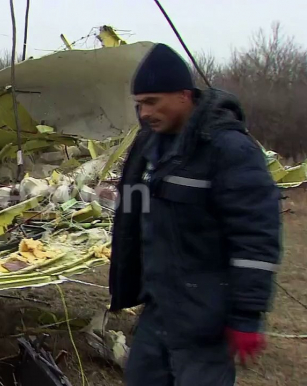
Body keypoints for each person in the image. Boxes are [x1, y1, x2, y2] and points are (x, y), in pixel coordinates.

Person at [108, 43, 282, 385]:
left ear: (184, 96)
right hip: (158, 309)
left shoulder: (228, 149)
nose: (143, 113)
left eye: (152, 102)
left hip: (205, 319)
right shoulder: (149, 144)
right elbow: (132, 216)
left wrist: (247, 315)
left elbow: (256, 238)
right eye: (139, 104)